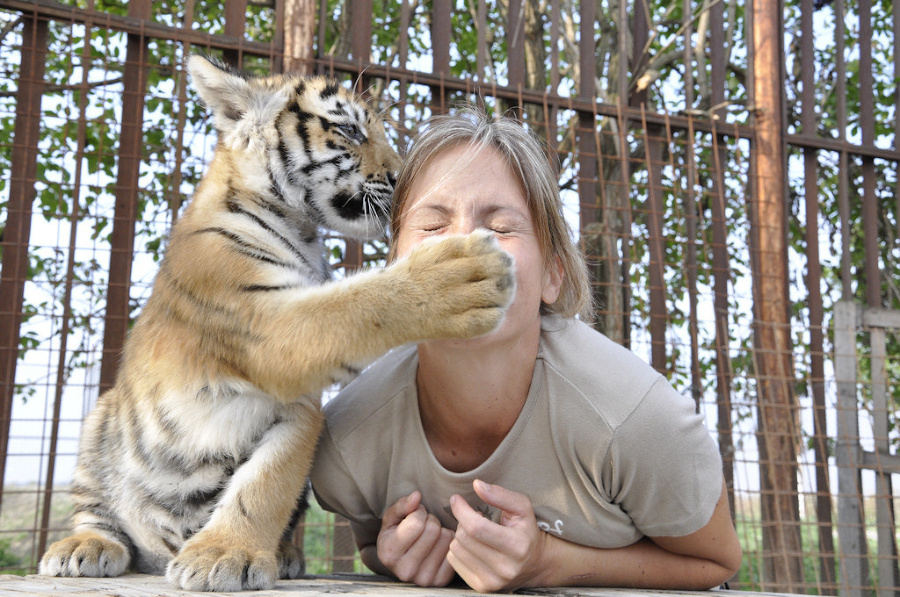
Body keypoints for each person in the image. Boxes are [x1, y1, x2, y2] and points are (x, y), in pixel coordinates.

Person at [309, 107, 742, 592]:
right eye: (432, 225)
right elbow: (371, 545)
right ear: (394, 268)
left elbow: (716, 563)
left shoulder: (638, 423)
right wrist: (392, 556)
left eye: (500, 226)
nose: (465, 247)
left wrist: (550, 562)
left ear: (553, 274)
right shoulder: (345, 446)